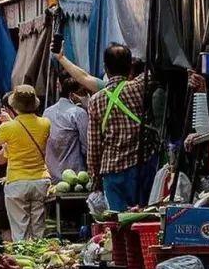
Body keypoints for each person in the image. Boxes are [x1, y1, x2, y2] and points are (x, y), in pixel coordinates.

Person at [86, 43, 155, 213]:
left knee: (118, 222)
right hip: (140, 168)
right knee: (142, 217)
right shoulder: (139, 87)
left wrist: (95, 179)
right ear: (130, 66)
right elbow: (156, 70)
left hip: (111, 173)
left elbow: (94, 146)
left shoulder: (95, 101)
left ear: (106, 68)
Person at [0, 84, 51, 241]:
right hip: (40, 181)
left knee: (20, 231)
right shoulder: (45, 123)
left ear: (15, 106)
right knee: (38, 229)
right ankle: (39, 260)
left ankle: (23, 260)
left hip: (17, 183)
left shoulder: (8, 127)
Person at [43, 77, 89, 182]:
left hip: (51, 175)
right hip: (75, 177)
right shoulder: (79, 113)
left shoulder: (47, 112)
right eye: (82, 93)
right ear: (72, 95)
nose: (85, 96)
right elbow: (86, 147)